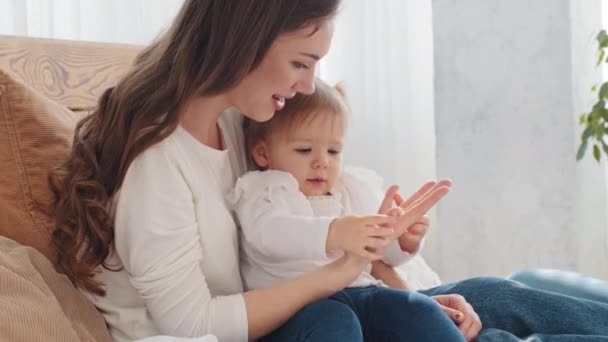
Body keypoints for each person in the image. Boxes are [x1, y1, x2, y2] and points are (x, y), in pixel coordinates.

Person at [46, 0, 608, 341]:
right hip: (289, 326)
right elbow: (192, 325)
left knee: (489, 294)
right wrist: (340, 273)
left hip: (320, 307)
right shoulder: (156, 165)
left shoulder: (244, 132)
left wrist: (398, 279)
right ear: (243, 42)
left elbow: (292, 241)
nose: (308, 85)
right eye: (300, 63)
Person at [232, 79, 465, 341]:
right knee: (335, 323)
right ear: (262, 153)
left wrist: (402, 241)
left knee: (419, 310)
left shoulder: (350, 188)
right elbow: (268, 234)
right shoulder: (264, 189)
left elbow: (377, 256)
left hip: (361, 293)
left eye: (334, 151)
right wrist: (335, 232)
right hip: (297, 310)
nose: (322, 162)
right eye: (304, 150)